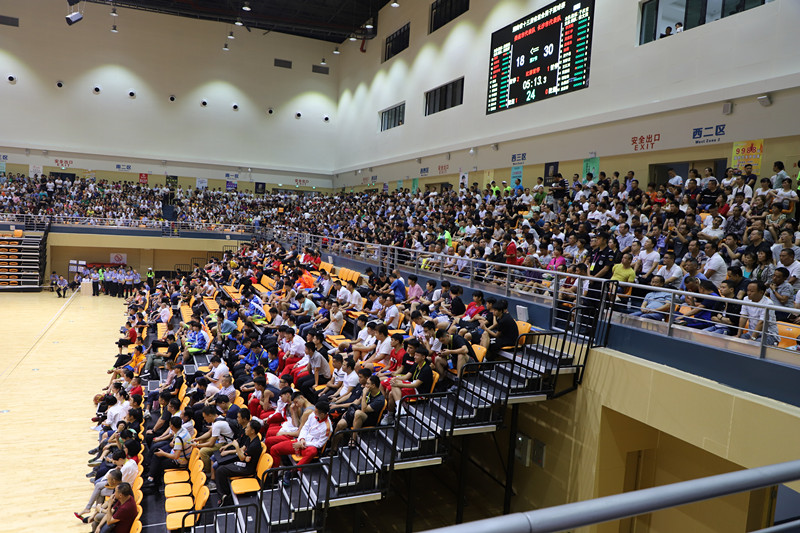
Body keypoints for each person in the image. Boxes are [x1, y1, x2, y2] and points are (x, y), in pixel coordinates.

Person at [214, 419, 263, 506]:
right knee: (221, 468)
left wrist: (237, 446)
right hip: (243, 463)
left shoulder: (255, 444)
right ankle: (225, 494)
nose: (245, 429)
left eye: (247, 428)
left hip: (247, 469)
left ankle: (224, 497)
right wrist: (242, 455)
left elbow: (241, 457)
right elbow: (242, 451)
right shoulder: (250, 438)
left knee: (221, 470)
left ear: (252, 431)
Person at [737, 281, 779, 345]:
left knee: (756, 344)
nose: (748, 293)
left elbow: (761, 322)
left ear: (761, 292)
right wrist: (738, 335)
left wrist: (752, 338)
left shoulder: (768, 303)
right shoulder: (746, 299)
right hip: (751, 333)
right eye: (748, 290)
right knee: (739, 341)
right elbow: (743, 317)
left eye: (752, 291)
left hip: (768, 335)